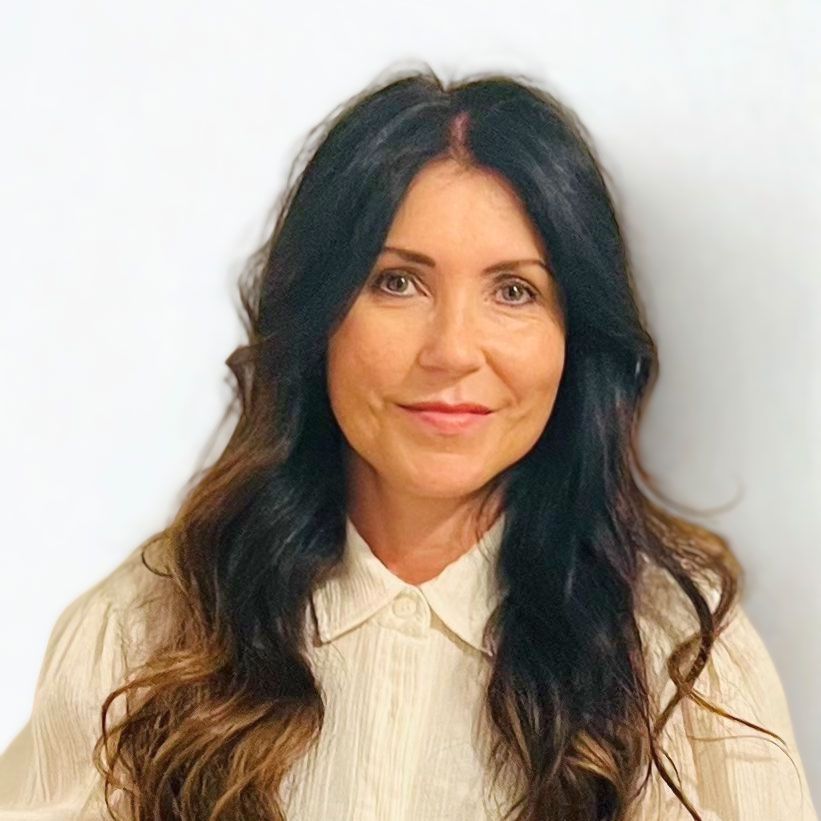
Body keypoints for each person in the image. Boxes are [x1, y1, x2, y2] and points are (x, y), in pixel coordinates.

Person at [0, 66, 816, 821]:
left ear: (575, 341)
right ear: (318, 318)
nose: (452, 350)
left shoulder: (682, 659)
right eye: (397, 282)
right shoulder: (146, 634)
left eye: (514, 291)